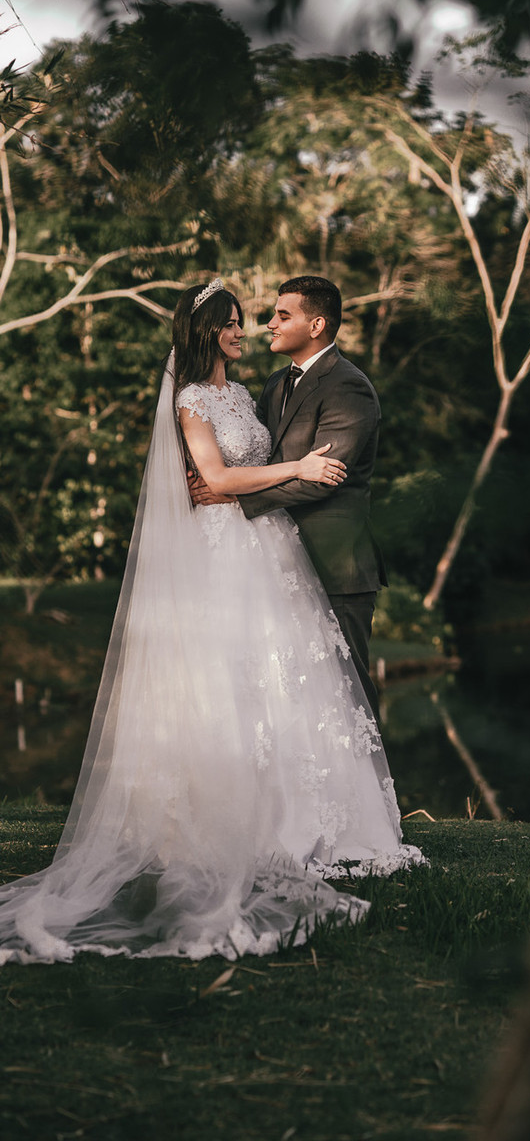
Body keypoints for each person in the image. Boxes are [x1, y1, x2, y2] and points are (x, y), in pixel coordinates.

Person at [0, 279, 422, 966]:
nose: (248, 329)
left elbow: (250, 478)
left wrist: (252, 483)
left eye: (267, 318)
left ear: (316, 324)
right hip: (229, 552)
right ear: (206, 333)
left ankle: (324, 818)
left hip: (279, 548)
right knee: (234, 681)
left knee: (299, 683)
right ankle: (251, 820)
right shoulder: (196, 398)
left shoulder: (282, 392)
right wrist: (278, 472)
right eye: (234, 323)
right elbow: (217, 478)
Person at [191, 275, 386, 719]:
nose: (270, 324)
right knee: (295, 702)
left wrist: (234, 499)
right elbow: (254, 457)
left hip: (334, 565)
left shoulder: (349, 387)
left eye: (283, 315)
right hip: (275, 562)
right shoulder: (276, 383)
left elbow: (323, 478)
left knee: (349, 697)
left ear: (316, 325)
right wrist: (201, 473)